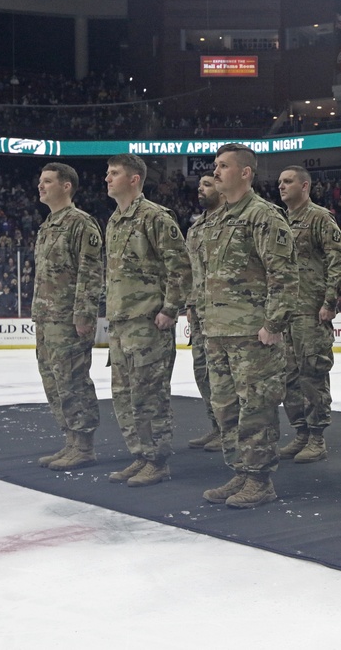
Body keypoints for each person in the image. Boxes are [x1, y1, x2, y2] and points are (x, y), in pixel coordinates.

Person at [198, 143, 297, 509]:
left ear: (245, 173)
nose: (216, 170)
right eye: (215, 165)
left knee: (256, 409)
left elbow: (284, 275)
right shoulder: (215, 221)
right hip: (218, 332)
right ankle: (240, 470)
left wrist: (273, 324)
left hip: (253, 335)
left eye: (224, 165)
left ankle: (259, 479)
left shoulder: (263, 216)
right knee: (225, 407)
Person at [104, 154, 191, 487]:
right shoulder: (115, 220)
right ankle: (140, 455)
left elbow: (180, 267)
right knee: (125, 397)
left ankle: (157, 460)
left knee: (150, 395)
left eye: (114, 173)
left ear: (134, 179)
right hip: (121, 324)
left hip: (148, 325)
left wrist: (170, 309)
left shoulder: (155, 217)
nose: (107, 179)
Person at [277, 165, 341, 464]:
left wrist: (330, 300)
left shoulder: (318, 217)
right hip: (285, 314)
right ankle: (300, 432)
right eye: (280, 182)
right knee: (288, 377)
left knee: (312, 373)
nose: (281, 186)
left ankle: (317, 437)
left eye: (288, 181)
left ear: (305, 186)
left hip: (310, 311)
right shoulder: (281, 221)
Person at [32, 162, 104, 471]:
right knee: (53, 381)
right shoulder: (48, 224)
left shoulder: (81, 224)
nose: (41, 185)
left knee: (73, 380)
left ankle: (84, 445)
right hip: (46, 317)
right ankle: (70, 441)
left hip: (69, 319)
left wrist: (84, 315)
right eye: (40, 181)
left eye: (47, 181)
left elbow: (90, 273)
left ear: (66, 186)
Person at [184, 172, 225, 452]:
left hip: (225, 315)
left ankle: (231, 430)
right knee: (203, 372)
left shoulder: (233, 221)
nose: (201, 189)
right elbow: (190, 271)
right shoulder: (195, 229)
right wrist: (189, 304)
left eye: (207, 185)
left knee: (225, 376)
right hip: (200, 313)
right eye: (199, 186)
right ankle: (217, 426)